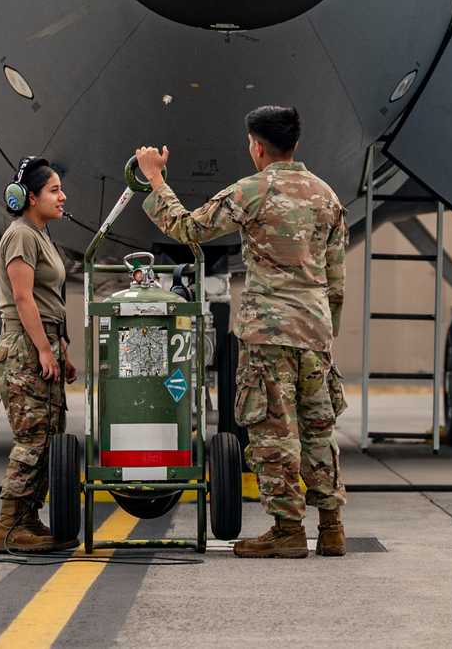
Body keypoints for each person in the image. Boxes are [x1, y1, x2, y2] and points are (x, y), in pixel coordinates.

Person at [136, 105, 349, 558]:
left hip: (269, 334)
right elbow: (336, 279)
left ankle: (288, 530)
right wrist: (325, 330)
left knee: (274, 431)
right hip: (314, 332)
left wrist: (155, 179)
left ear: (256, 146)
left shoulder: (252, 191)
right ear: (295, 143)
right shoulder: (327, 197)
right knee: (318, 428)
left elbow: (188, 228)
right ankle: (332, 527)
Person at [0, 156, 77, 553]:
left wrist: (61, 349)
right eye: (54, 190)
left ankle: (28, 519)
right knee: (32, 440)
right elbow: (23, 297)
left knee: (49, 437)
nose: (62, 196)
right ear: (29, 197)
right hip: (25, 347)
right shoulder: (21, 235)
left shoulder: (41, 235)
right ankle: (8, 526)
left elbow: (48, 298)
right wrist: (43, 347)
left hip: (44, 343)